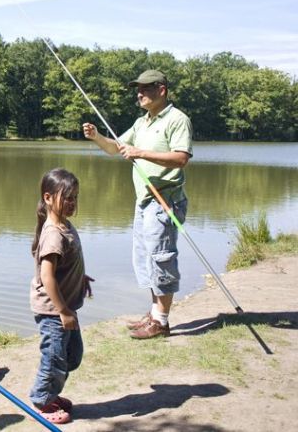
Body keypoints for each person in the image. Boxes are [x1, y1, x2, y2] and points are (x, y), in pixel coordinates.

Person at [82, 69, 192, 340]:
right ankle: (155, 312)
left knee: (161, 258)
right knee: (146, 258)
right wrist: (97, 136)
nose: (139, 93)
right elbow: (115, 148)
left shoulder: (178, 120)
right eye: (138, 89)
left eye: (145, 88)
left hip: (164, 199)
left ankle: (162, 321)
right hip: (144, 201)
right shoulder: (142, 122)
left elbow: (180, 158)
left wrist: (140, 152)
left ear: (162, 90)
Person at [28, 168, 92, 425]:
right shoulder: (53, 233)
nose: (72, 203)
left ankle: (50, 393)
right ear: (47, 197)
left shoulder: (64, 225)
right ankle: (41, 402)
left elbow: (68, 263)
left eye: (75, 197)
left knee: (72, 356)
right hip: (53, 311)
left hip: (66, 307)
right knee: (54, 359)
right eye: (67, 197)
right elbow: (47, 277)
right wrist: (63, 312)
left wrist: (81, 278)